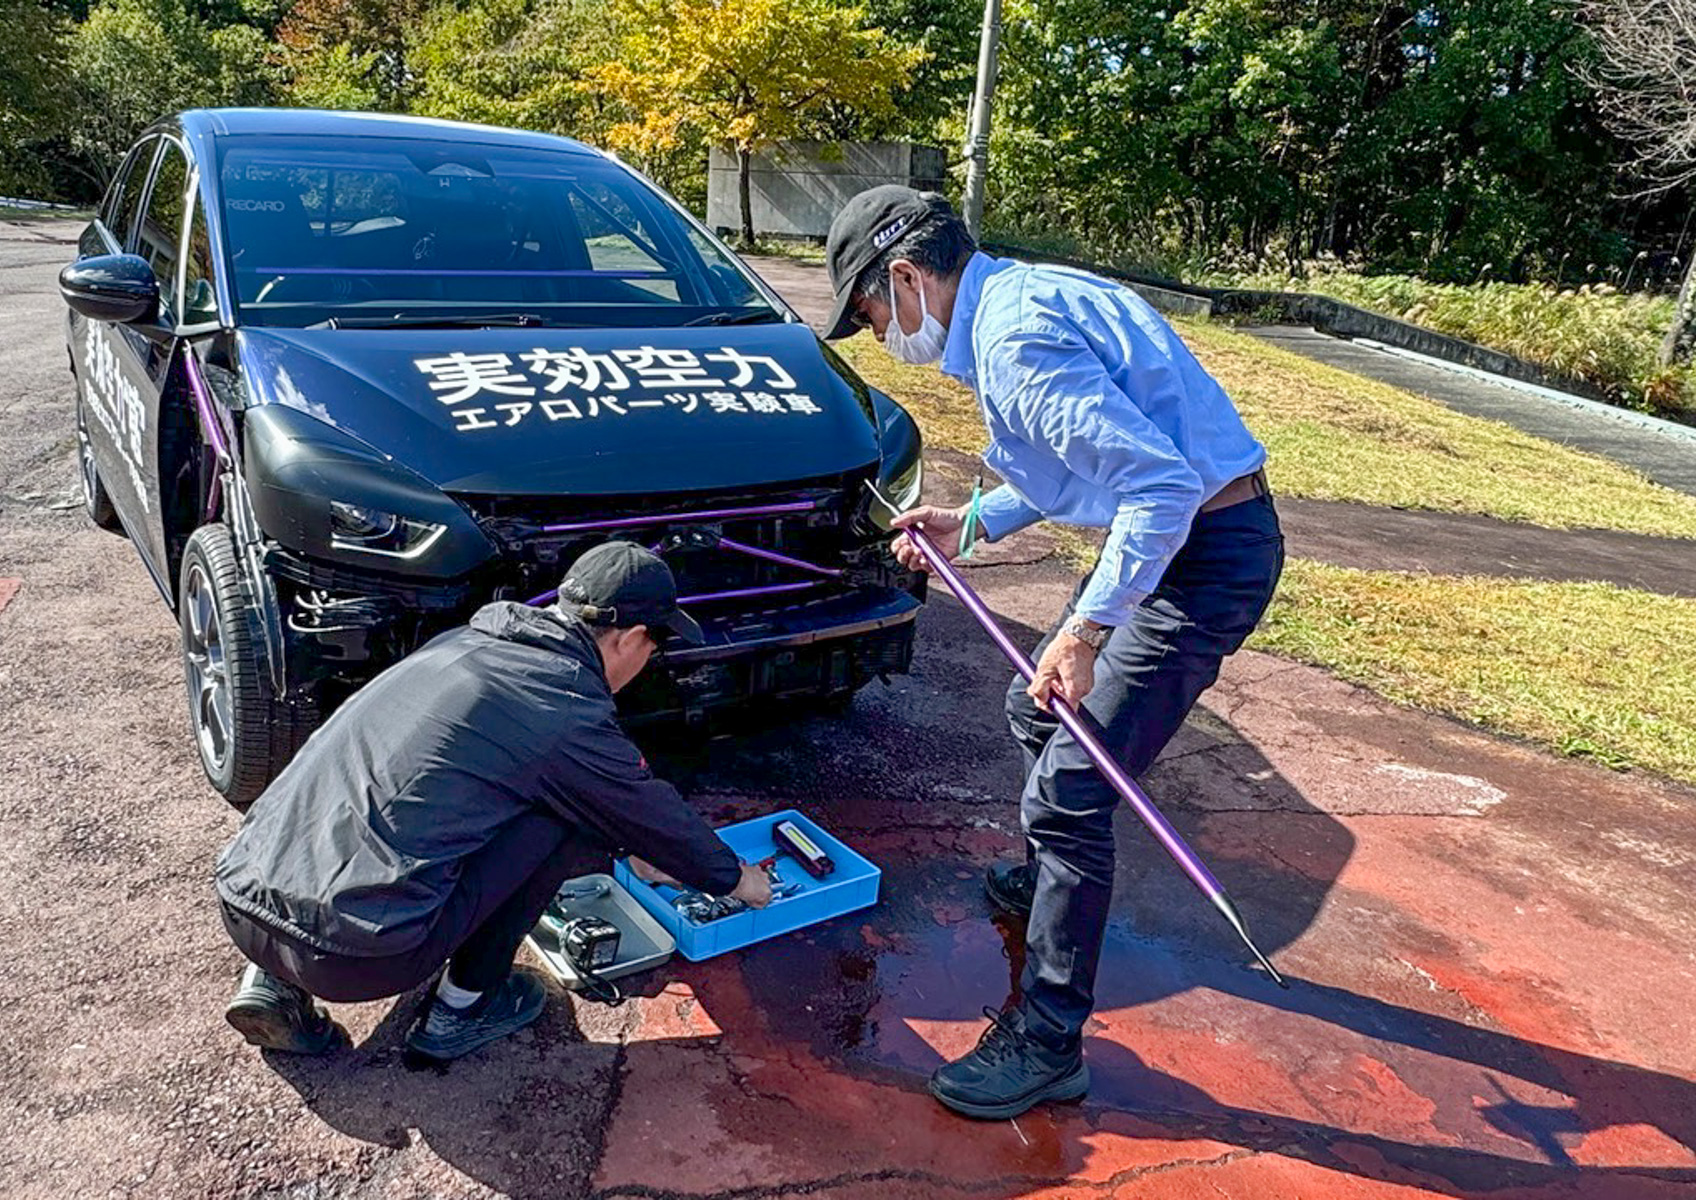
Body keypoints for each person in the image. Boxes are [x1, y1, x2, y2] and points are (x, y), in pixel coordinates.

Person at [820, 187, 1284, 1119]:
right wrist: (972, 520)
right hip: (1183, 534)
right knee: (1034, 709)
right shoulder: (1020, 300)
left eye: (871, 315)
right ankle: (1045, 882)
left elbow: (1157, 485)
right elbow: (1053, 460)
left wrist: (1084, 630)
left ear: (905, 278)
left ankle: (1047, 1040)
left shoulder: (1014, 338)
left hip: (1200, 552)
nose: (880, 337)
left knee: (1072, 788)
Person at [214, 541, 774, 1061]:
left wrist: (640, 849)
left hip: (242, 899)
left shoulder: (464, 644)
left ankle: (271, 983)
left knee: (376, 790)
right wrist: (739, 880)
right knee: (562, 819)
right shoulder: (562, 708)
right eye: (654, 646)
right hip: (355, 957)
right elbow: (652, 816)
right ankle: (462, 1010)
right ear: (629, 638)